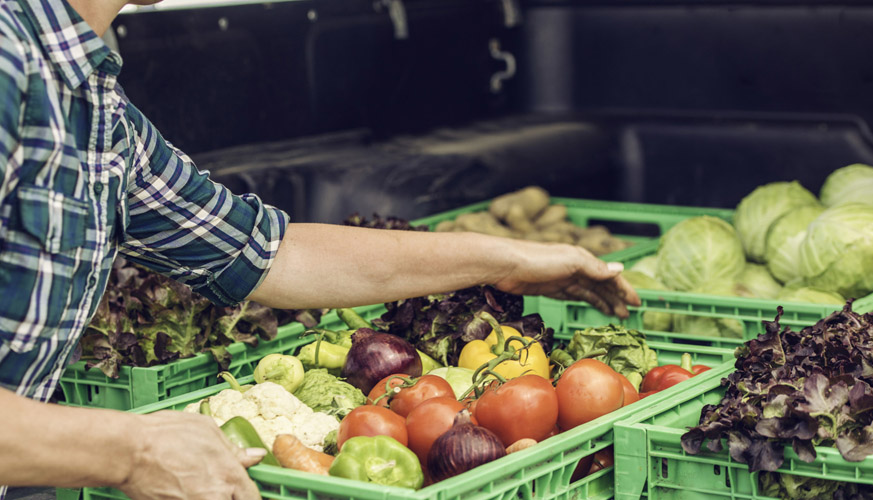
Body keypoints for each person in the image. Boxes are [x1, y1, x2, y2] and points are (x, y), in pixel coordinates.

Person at [0, 0, 640, 498]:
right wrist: (130, 450)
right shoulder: (10, 63)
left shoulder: (93, 106)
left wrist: (511, 261)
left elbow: (274, 255)